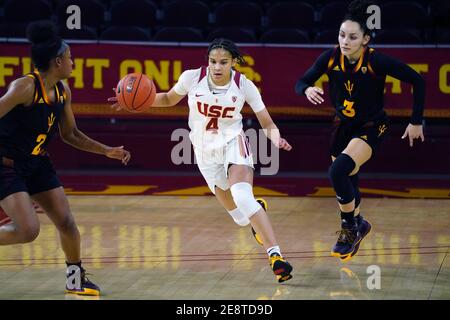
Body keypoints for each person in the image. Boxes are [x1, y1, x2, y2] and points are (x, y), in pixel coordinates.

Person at [110, 38, 293, 283]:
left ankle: (275, 256)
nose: (217, 67)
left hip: (233, 142)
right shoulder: (192, 78)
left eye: (223, 62)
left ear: (233, 63)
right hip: (205, 152)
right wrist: (134, 102)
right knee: (240, 218)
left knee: (242, 196)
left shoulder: (244, 85)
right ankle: (254, 211)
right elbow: (167, 99)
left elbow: (267, 122)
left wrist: (275, 138)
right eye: (213, 61)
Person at [0, 21, 131, 296]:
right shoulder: (24, 87)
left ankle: (75, 279)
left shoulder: (62, 91)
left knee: (67, 222)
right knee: (28, 231)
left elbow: (71, 134)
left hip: (37, 163)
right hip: (7, 165)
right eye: (70, 58)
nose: (74, 62)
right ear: (58, 61)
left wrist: (106, 150)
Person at [295, 0, 425, 262]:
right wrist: (307, 88)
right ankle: (359, 224)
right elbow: (301, 81)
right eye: (342, 35)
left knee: (338, 170)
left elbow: (418, 80)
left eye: (353, 37)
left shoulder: (376, 60)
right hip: (342, 126)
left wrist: (416, 121)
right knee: (348, 176)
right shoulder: (330, 57)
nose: (345, 41)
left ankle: (349, 229)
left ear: (365, 39)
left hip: (373, 126)